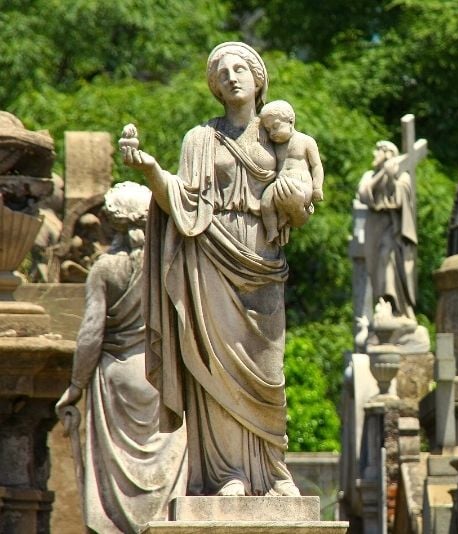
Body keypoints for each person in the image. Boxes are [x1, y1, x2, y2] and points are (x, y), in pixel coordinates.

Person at [120, 41, 309, 497]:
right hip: (210, 257)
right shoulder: (200, 139)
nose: (231, 76)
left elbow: (301, 201)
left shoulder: (279, 135)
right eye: (221, 72)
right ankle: (231, 474)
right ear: (214, 87)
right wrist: (150, 170)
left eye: (240, 67)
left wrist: (293, 197)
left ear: (258, 77)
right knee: (219, 369)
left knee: (267, 369)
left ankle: (273, 467)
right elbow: (183, 203)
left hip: (262, 259)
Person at [56, 182, 187, 533]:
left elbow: (90, 333)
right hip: (163, 378)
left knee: (115, 486)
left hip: (117, 378)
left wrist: (75, 385)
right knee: (165, 481)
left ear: (112, 223)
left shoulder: (105, 268)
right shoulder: (171, 264)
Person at [357, 140, 418, 320]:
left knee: (388, 257)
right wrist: (383, 173)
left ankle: (392, 303)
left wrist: (391, 177)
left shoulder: (403, 176)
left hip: (392, 228)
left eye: (378, 152)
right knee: (375, 267)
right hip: (374, 226)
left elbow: (400, 200)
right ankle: (382, 302)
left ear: (388, 153)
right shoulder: (369, 175)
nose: (374, 155)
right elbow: (363, 193)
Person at [258, 99, 324, 244]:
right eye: (268, 130)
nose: (272, 133)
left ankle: (285, 215)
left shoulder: (306, 141)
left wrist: (317, 188)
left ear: (290, 121)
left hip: (301, 185)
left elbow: (316, 165)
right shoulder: (275, 146)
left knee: (293, 196)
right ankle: (272, 230)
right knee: (265, 202)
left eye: (275, 126)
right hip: (279, 184)